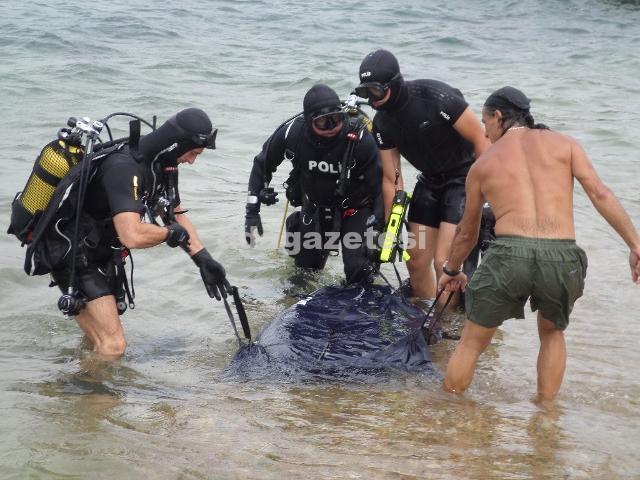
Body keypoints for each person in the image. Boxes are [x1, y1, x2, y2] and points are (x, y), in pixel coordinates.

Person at [437, 86, 640, 399]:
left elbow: (467, 231)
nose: (484, 132)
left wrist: (451, 270)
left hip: (508, 255)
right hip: (561, 254)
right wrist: (635, 244)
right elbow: (600, 194)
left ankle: (449, 410)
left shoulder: (482, 165)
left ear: (499, 116)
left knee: (473, 340)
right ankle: (546, 417)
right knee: (552, 333)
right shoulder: (566, 145)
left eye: (485, 122)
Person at [42, 108, 230, 359]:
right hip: (71, 251)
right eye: (193, 153)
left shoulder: (162, 165)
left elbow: (174, 214)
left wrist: (203, 258)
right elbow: (132, 235)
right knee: (113, 346)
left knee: (98, 338)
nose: (192, 161)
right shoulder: (124, 167)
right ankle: (93, 396)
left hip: (100, 249)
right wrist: (169, 234)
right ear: (176, 144)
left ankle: (77, 387)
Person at [355, 49, 490, 301]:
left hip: (463, 179)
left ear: (393, 84)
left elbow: (482, 140)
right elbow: (391, 179)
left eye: (375, 91)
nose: (371, 100)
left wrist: (483, 191)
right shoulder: (382, 123)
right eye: (365, 93)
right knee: (415, 260)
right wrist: (391, 230)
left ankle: (449, 328)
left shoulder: (437, 98)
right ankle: (429, 320)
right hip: (429, 182)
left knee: (444, 261)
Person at [244, 84, 383, 284]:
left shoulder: (359, 138)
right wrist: (252, 211)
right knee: (303, 277)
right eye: (322, 122)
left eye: (336, 119)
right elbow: (261, 164)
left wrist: (378, 228)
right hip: (315, 208)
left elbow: (379, 188)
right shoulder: (292, 132)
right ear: (309, 121)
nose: (331, 127)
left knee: (359, 271)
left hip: (355, 210)